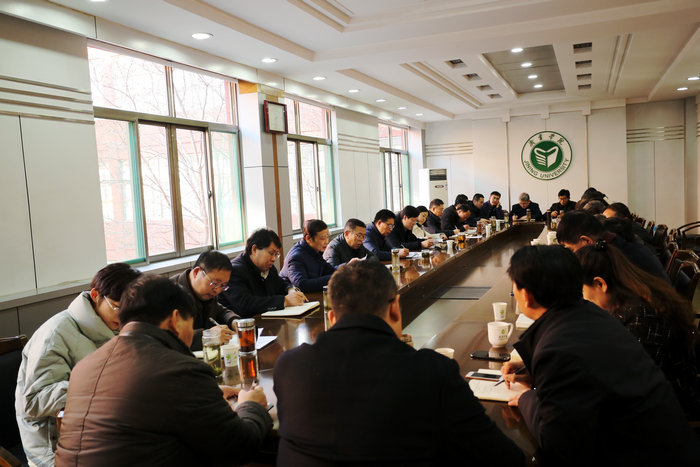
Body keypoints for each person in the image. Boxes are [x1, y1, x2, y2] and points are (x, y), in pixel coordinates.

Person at [273, 261, 525, 466]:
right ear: (395, 307)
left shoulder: (289, 365)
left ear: (331, 318)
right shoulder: (431, 371)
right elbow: (504, 458)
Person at [501, 245, 700, 466]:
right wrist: (537, 376)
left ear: (526, 296)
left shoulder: (556, 349)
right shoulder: (592, 314)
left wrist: (527, 398)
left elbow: (558, 444)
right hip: (668, 445)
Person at [55, 275, 272, 466]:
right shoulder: (181, 370)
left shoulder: (85, 366)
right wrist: (251, 405)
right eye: (190, 323)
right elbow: (239, 448)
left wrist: (207, 394)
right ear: (176, 319)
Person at [15, 263, 141, 467]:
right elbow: (33, 401)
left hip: (98, 428)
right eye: (118, 308)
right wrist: (99, 386)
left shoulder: (115, 324)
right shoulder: (55, 334)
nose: (124, 316)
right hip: (54, 445)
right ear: (95, 295)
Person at [575, 242, 700, 418]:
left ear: (600, 284)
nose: (582, 300)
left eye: (581, 292)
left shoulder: (641, 318)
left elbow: (627, 385)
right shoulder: (632, 297)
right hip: (656, 398)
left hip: (671, 412)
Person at [556, 210, 669, 282]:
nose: (572, 256)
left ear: (586, 241)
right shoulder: (616, 242)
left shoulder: (611, 257)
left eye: (571, 250)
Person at [218, 229, 306, 318]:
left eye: (276, 254)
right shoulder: (235, 271)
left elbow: (281, 284)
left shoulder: (269, 268)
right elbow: (245, 305)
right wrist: (285, 301)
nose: (274, 259)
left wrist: (290, 289)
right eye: (271, 253)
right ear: (254, 249)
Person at [170, 250, 238, 350]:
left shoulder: (207, 292)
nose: (217, 290)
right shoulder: (170, 293)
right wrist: (209, 336)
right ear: (196, 272)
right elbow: (169, 338)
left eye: (223, 286)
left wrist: (234, 321)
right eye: (214, 283)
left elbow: (219, 311)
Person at [280, 219, 336, 292]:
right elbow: (302, 285)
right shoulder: (296, 257)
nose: (327, 241)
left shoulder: (315, 250)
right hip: (292, 296)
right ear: (308, 238)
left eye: (327, 236)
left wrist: (346, 268)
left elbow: (329, 270)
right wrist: (334, 277)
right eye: (322, 238)